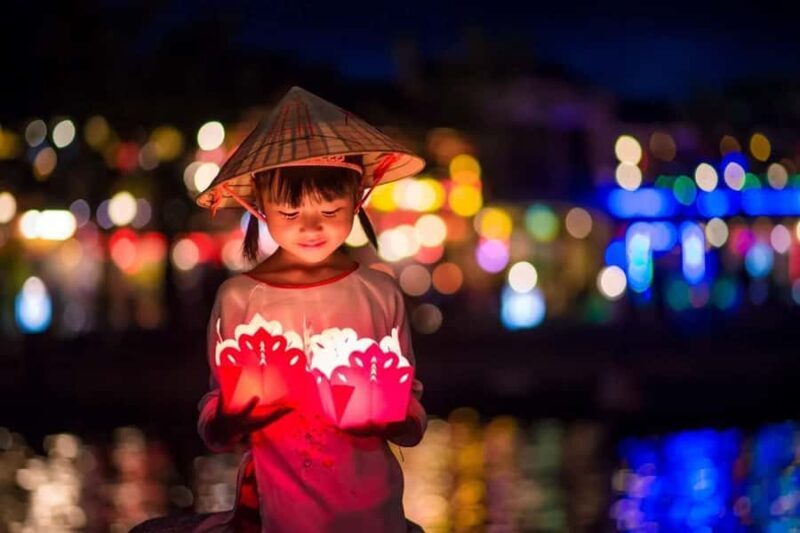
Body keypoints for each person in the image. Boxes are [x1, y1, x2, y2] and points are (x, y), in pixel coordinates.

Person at [133, 86, 428, 532]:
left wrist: (390, 414)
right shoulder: (240, 298)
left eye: (330, 209)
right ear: (260, 207)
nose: (312, 227)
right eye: (290, 214)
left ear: (358, 200)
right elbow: (213, 424)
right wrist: (238, 414)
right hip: (278, 505)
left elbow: (412, 415)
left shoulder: (379, 292)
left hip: (372, 507)